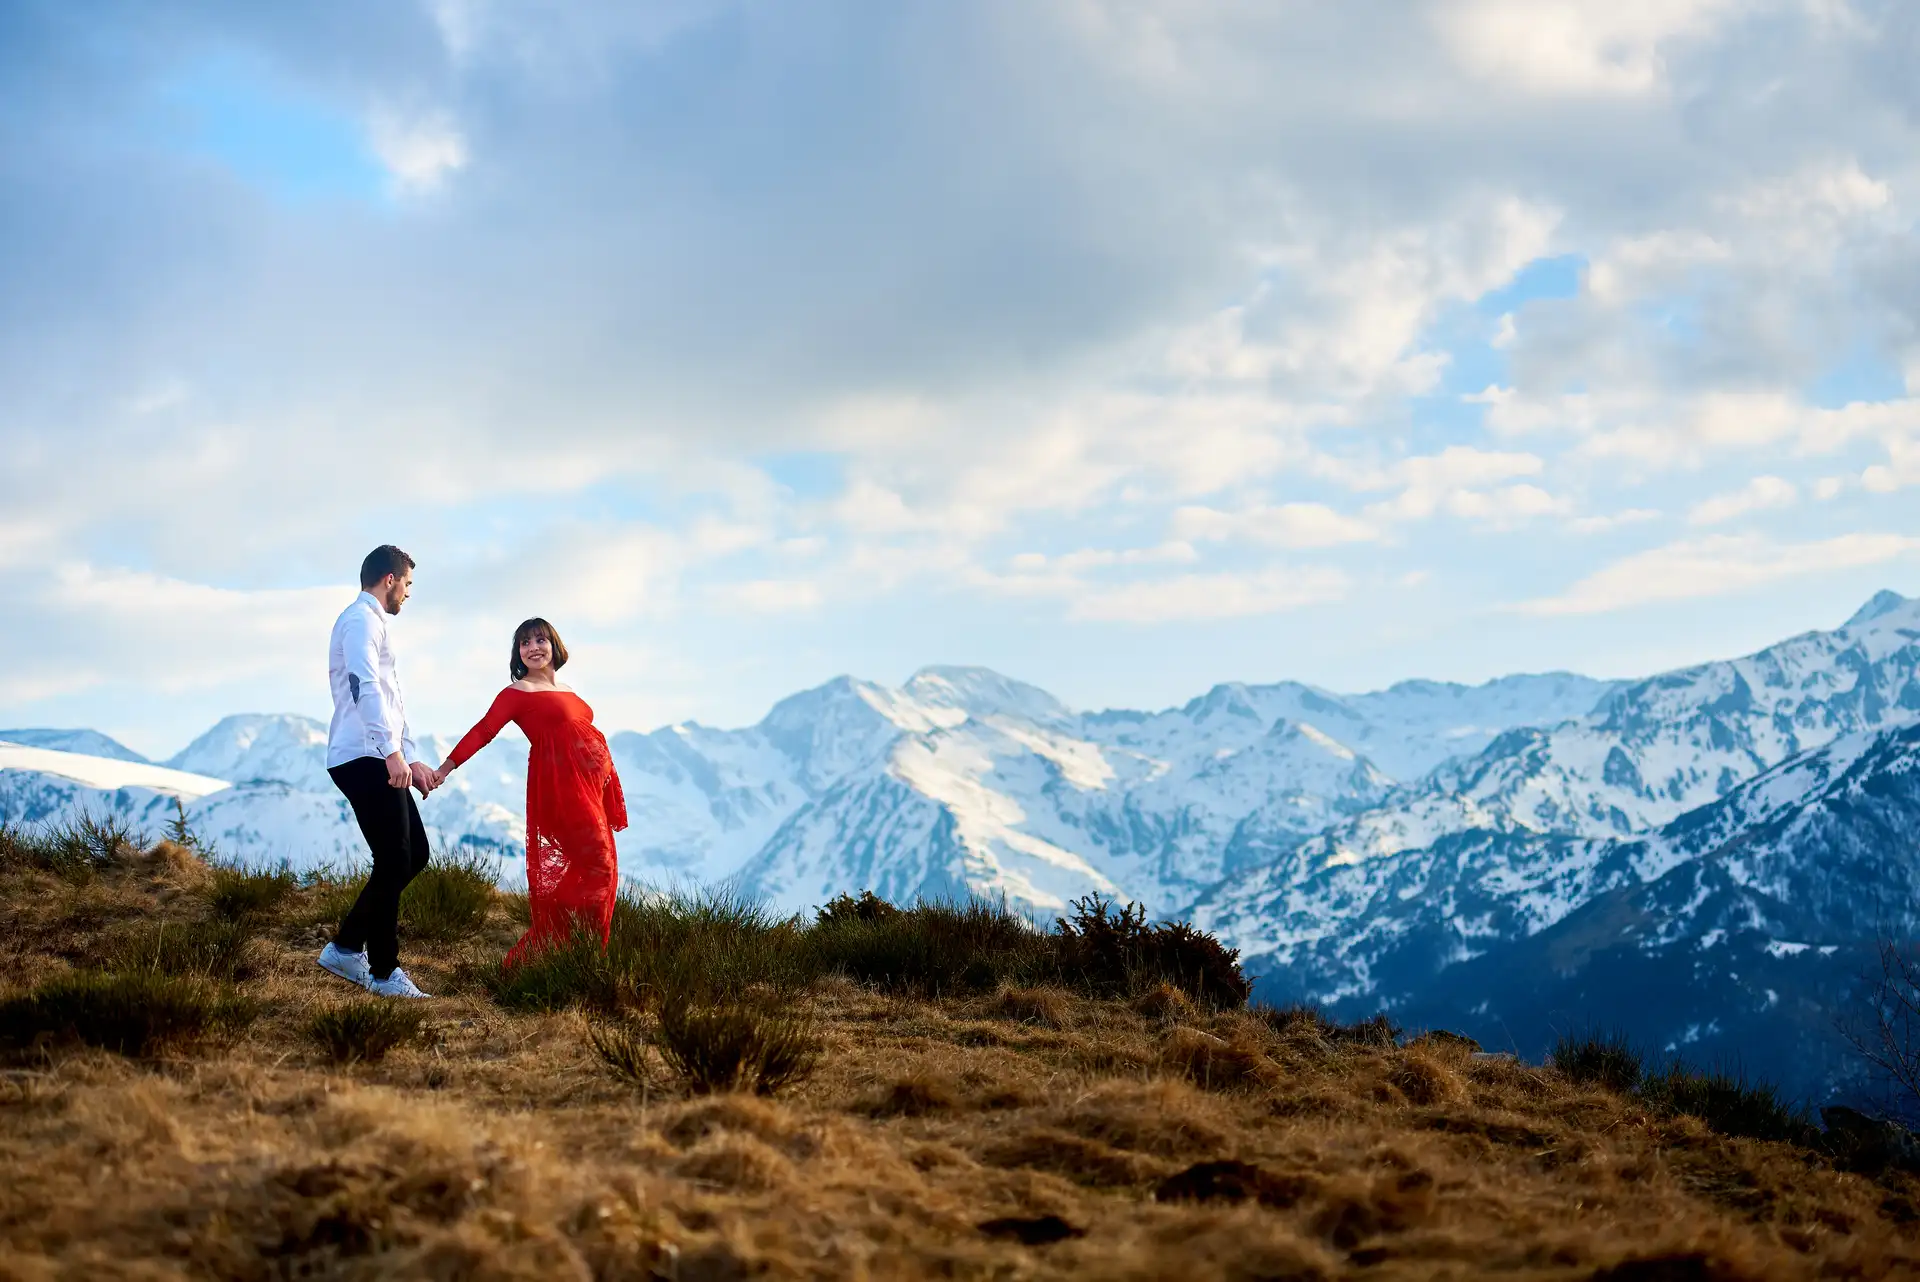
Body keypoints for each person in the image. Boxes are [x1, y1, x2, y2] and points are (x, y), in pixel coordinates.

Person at [433, 618, 627, 967]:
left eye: (540, 640)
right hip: (561, 791)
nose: (533, 647)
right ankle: (555, 956)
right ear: (517, 654)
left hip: (590, 792)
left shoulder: (567, 690)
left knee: (599, 869)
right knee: (600, 866)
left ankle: (568, 956)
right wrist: (445, 769)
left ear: (554, 645)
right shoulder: (517, 693)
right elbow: (483, 730)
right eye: (524, 643)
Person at [316, 545, 438, 999]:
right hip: (362, 756)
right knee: (394, 860)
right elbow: (363, 687)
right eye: (407, 584)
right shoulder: (360, 619)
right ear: (389, 579)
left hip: (379, 754)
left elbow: (389, 701)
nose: (407, 593)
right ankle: (384, 972)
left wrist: (409, 757)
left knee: (414, 855)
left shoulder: (373, 623)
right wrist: (390, 754)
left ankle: (348, 946)